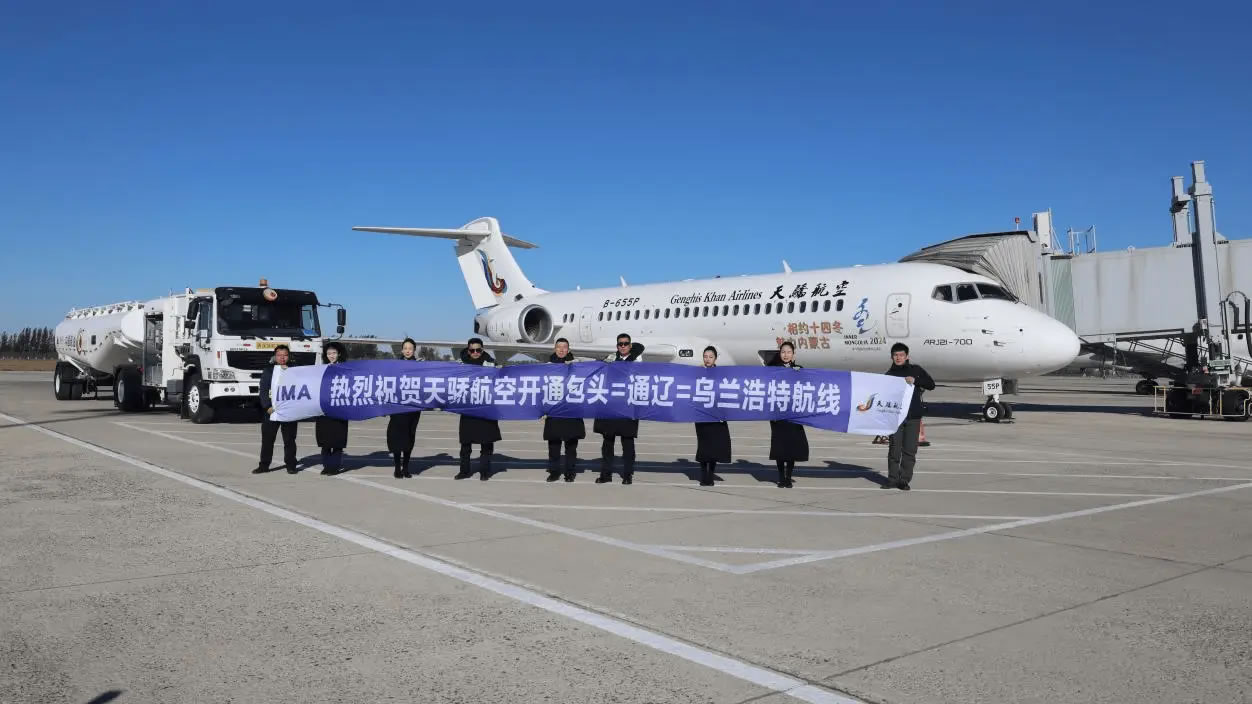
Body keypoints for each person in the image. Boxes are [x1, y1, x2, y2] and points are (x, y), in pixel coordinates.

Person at [881, 342, 935, 491]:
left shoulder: (916, 370)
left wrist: (916, 381)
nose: (898, 358)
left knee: (910, 450)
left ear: (907, 356)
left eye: (901, 355)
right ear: (891, 357)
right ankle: (892, 479)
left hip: (913, 417)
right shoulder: (889, 375)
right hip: (896, 418)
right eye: (895, 355)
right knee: (894, 450)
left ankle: (904, 480)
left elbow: (931, 385)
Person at [594, 333, 645, 484]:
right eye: (620, 344)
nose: (623, 346)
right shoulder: (611, 358)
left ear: (630, 345)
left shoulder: (637, 359)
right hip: (611, 405)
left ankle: (627, 474)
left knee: (627, 443)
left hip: (627, 406)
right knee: (607, 443)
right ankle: (606, 474)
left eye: (625, 343)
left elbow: (639, 376)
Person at [455, 338, 500, 481]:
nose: (475, 352)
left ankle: (484, 471)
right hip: (468, 409)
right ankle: (464, 471)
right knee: (465, 444)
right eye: (472, 350)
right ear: (468, 350)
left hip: (486, 409)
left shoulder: (491, 363)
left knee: (486, 443)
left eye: (478, 350)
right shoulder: (460, 364)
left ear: (483, 349)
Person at [253, 344, 299, 474]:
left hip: (289, 411)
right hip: (272, 410)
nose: (282, 358)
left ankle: (291, 465)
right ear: (275, 356)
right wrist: (267, 406)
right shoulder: (269, 371)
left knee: (289, 440)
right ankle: (264, 465)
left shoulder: (295, 370)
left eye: (285, 355)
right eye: (279, 355)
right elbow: (263, 390)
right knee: (268, 440)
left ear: (289, 356)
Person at [766, 341, 807, 488]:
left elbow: (807, 387)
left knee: (791, 447)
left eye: (789, 352)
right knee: (780, 447)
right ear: (780, 354)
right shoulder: (773, 370)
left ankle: (788, 477)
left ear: (793, 354)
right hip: (778, 414)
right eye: (783, 352)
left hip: (793, 414)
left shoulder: (799, 369)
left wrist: (799, 373)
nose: (786, 355)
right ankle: (780, 477)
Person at [544, 338, 584, 482]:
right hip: (554, 411)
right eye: (559, 347)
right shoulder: (547, 366)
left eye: (564, 347)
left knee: (571, 446)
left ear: (569, 349)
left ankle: (570, 472)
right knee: (554, 445)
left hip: (572, 410)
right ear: (554, 349)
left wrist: (573, 365)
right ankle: (554, 472)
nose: (561, 350)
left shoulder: (577, 365)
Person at [694, 346, 731, 486]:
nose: (707, 359)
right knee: (703, 446)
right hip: (702, 415)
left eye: (710, 357)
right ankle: (704, 474)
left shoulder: (720, 374)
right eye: (705, 356)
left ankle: (710, 474)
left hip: (717, 415)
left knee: (714, 447)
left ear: (715, 358)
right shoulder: (698, 373)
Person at [386, 338, 421, 479]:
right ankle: (397, 468)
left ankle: (406, 467)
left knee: (409, 437)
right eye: (405, 348)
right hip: (397, 407)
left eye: (410, 348)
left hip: (412, 407)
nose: (407, 351)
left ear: (414, 350)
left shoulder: (420, 366)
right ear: (401, 350)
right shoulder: (394, 366)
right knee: (396, 437)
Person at [315, 341, 349, 476]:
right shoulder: (320, 369)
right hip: (324, 409)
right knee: (325, 441)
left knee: (337, 440)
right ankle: (326, 465)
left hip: (340, 410)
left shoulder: (345, 369)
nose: (331, 355)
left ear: (339, 354)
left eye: (334, 353)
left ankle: (334, 467)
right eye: (329, 353)